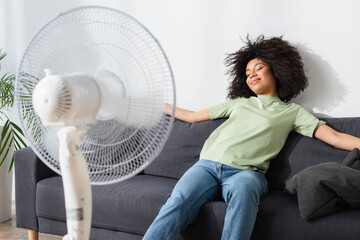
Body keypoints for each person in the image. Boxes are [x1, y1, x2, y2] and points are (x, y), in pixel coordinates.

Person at [143, 35, 360, 240]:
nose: (251, 75)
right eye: (247, 73)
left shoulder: (292, 112)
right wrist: (156, 105)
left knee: (245, 192)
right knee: (178, 201)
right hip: (207, 167)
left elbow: (334, 137)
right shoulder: (239, 103)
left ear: (276, 70)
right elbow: (191, 116)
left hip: (246, 173)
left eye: (258, 68)